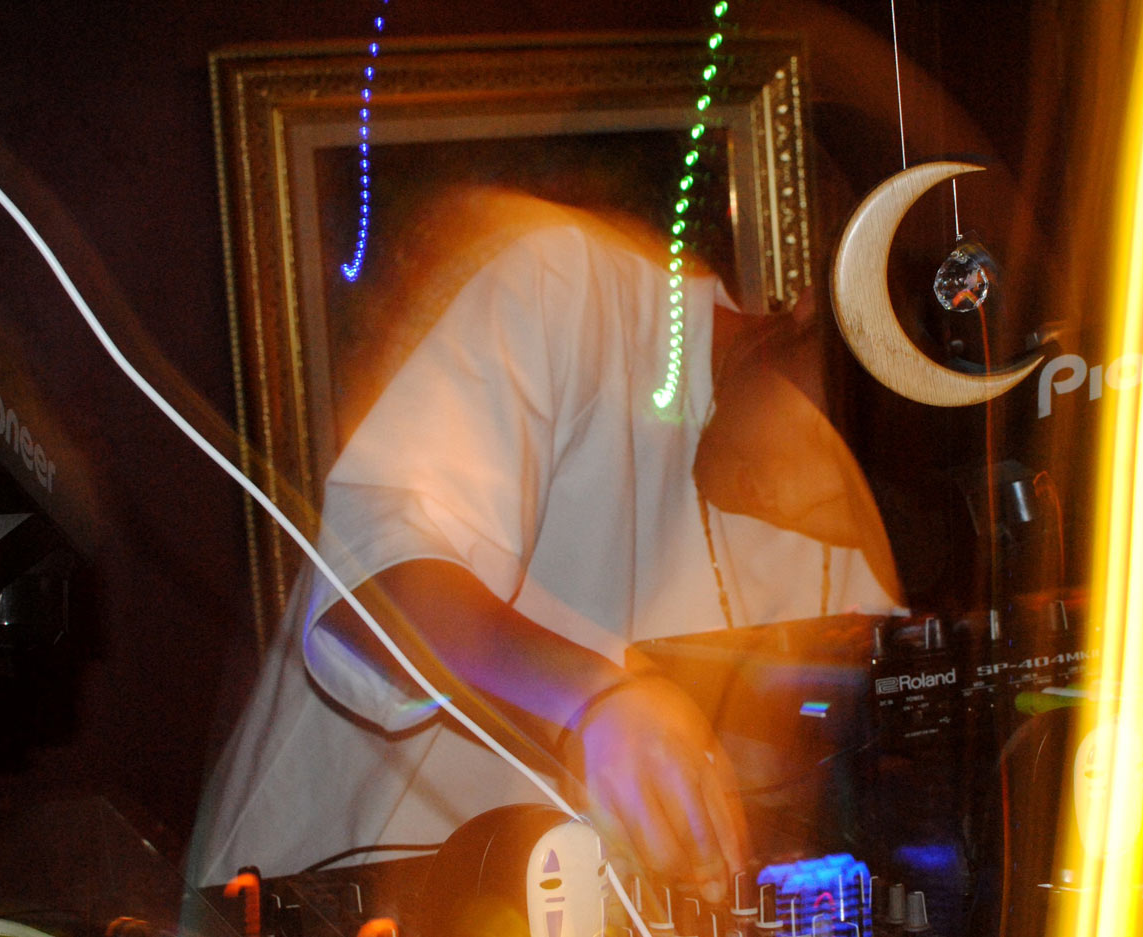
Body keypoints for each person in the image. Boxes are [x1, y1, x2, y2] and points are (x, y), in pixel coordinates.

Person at [187, 186, 901, 906]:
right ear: (811, 308)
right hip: (316, 895)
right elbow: (374, 589)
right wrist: (592, 700)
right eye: (827, 430)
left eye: (852, 497)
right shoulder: (569, 291)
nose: (807, 494)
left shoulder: (860, 554)